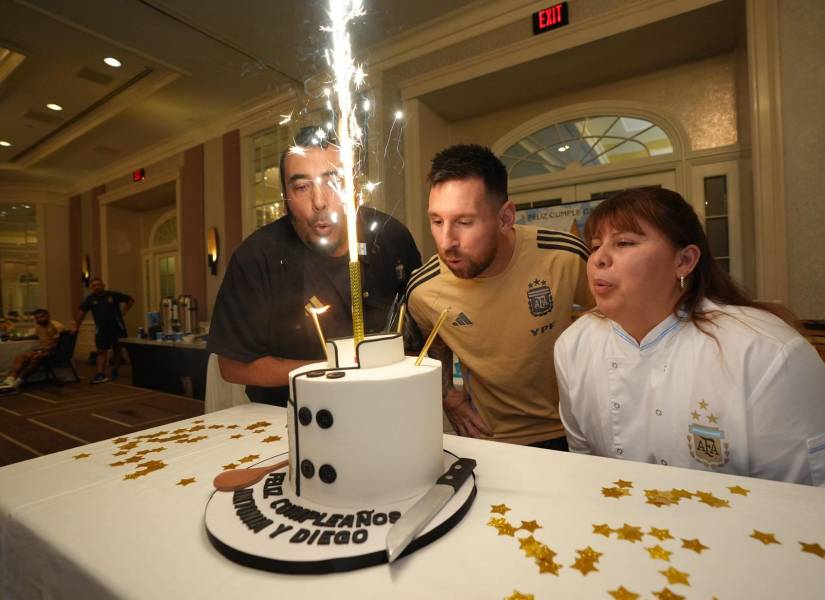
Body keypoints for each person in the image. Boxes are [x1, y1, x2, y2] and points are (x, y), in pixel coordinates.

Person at [554, 187, 825, 486]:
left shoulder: (767, 353)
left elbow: (803, 500)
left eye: (624, 242)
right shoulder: (573, 345)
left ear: (684, 261)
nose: (598, 259)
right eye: (594, 246)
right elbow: (586, 465)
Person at [208, 126, 422, 406]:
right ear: (285, 195)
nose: (319, 202)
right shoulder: (256, 257)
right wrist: (333, 369)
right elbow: (232, 367)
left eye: (334, 182)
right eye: (301, 186)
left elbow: (424, 329)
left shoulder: (391, 236)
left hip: (389, 406)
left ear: (355, 187)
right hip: (289, 418)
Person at [407, 144, 593, 449]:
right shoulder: (424, 290)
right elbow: (429, 348)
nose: (446, 242)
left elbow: (614, 324)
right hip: (489, 438)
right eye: (437, 221)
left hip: (576, 429)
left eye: (464, 222)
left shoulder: (565, 256)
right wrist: (449, 398)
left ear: (505, 217)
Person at [73, 278, 134, 384]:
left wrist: (123, 312)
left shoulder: (113, 294)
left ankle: (115, 369)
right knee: (101, 350)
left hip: (117, 328)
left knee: (117, 349)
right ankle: (100, 374)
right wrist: (76, 326)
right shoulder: (90, 299)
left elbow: (130, 300)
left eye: (98, 285)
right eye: (94, 286)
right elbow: (81, 312)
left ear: (103, 285)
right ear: (91, 288)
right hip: (101, 329)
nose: (97, 287)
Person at [0, 309, 65, 391]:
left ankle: (18, 381)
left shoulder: (57, 326)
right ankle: (9, 381)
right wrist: (19, 338)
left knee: (36, 358)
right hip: (42, 350)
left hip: (55, 352)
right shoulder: (38, 326)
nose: (39, 319)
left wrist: (41, 351)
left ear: (48, 316)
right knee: (20, 357)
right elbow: (36, 336)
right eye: (37, 318)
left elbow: (58, 344)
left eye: (42, 316)